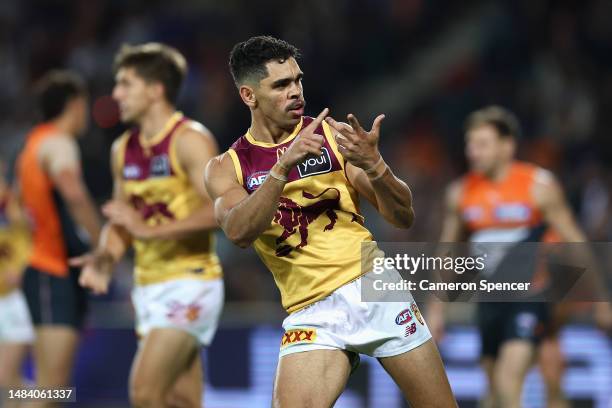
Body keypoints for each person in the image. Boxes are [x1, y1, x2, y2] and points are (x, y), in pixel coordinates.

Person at [204, 35, 457, 408]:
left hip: (373, 288)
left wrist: (376, 165)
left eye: (297, 80)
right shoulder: (228, 167)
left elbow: (402, 216)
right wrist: (282, 168)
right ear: (249, 96)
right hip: (310, 310)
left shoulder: (333, 136)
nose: (296, 91)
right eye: (281, 84)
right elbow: (239, 231)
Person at [427, 105, 611, 408]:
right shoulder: (460, 193)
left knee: (512, 379)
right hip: (490, 301)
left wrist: (601, 298)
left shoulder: (538, 187)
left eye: (482, 144)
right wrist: (435, 310)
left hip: (533, 296)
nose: (472, 152)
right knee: (493, 389)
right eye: (469, 144)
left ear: (507, 146)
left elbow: (575, 241)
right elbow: (448, 253)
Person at [71, 43, 223, 408]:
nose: (116, 94)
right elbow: (122, 219)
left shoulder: (190, 140)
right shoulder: (122, 148)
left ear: (156, 90)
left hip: (191, 281)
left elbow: (221, 211)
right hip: (148, 288)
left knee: (144, 392)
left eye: (125, 84)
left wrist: (149, 230)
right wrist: (105, 257)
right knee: (181, 400)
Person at [15, 70, 101, 405]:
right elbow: (74, 194)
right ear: (75, 105)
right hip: (53, 271)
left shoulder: (32, 144)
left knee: (54, 387)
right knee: (51, 387)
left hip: (46, 269)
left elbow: (22, 211)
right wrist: (101, 242)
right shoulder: (58, 142)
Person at [0, 161, 33, 408]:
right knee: (8, 384)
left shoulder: (13, 202)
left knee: (6, 379)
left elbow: (39, 236)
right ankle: (52, 397)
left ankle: (52, 398)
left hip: (15, 299)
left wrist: (24, 268)